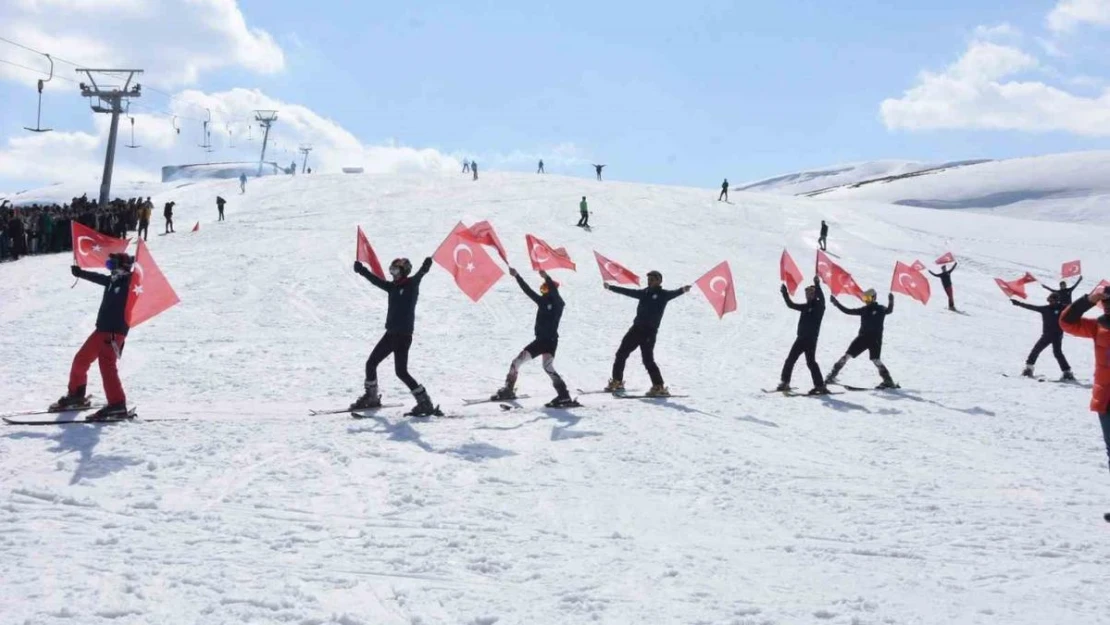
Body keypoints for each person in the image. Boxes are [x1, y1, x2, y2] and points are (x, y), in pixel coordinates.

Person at [350, 256, 440, 416]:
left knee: (372, 364)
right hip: (394, 334)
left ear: (404, 272)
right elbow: (375, 281)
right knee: (400, 372)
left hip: (400, 336)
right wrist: (362, 270)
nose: (392, 274)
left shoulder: (411, 285)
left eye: (396, 270)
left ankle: (372, 398)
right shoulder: (392, 287)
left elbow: (420, 275)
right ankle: (424, 401)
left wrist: (425, 267)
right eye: (391, 270)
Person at [52, 253, 135, 420]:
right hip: (102, 330)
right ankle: (76, 395)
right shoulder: (112, 281)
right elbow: (98, 277)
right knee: (81, 359)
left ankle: (117, 404)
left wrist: (133, 269)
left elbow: (139, 280)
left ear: (122, 266)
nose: (109, 268)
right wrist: (80, 273)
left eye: (112, 264)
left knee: (107, 366)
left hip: (114, 331)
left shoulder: (129, 283)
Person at [1058, 286, 1110, 522]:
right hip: (1106, 400)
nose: (1107, 305)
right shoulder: (1098, 325)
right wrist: (1088, 299)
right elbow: (1067, 322)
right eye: (1105, 301)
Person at [491, 268, 574, 406]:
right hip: (543, 341)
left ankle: (564, 396)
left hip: (548, 341)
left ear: (552, 290)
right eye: (543, 289)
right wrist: (517, 276)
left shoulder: (558, 304)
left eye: (546, 288)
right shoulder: (543, 302)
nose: (543, 291)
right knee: (540, 366)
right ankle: (563, 395)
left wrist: (546, 277)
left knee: (535, 365)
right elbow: (528, 291)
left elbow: (551, 291)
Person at [602, 271, 692, 396]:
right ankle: (617, 382)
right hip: (636, 329)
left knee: (647, 360)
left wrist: (683, 289)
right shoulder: (644, 293)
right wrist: (611, 288)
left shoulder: (663, 294)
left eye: (653, 279)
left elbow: (675, 293)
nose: (650, 281)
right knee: (621, 353)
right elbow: (628, 292)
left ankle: (659, 386)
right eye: (649, 279)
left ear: (659, 281)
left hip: (649, 332)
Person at [825, 289, 898, 388]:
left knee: (876, 359)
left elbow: (889, 310)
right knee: (847, 355)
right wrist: (836, 303)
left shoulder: (880, 309)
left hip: (875, 339)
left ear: (874, 297)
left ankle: (888, 381)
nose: (866, 300)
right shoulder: (864, 309)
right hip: (862, 338)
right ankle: (832, 376)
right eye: (864, 298)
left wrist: (891, 301)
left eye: (868, 298)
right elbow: (848, 311)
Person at [775, 276, 829, 394]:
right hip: (800, 339)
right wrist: (785, 293)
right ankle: (785, 383)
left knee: (811, 362)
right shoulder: (806, 306)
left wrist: (817, 285)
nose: (808, 295)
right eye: (807, 293)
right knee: (790, 360)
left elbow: (823, 300)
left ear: (815, 295)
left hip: (810, 340)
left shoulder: (819, 307)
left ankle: (820, 386)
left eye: (810, 293)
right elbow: (791, 305)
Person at [1012, 293, 1074, 380]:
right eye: (1049, 301)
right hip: (1046, 335)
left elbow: (1075, 308)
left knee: (1057, 353)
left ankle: (1067, 372)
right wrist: (1018, 303)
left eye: (1052, 301)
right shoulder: (1045, 309)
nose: (1050, 302)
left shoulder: (1063, 308)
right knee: (1036, 350)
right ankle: (1029, 368)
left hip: (1057, 335)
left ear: (1057, 301)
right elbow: (1031, 307)